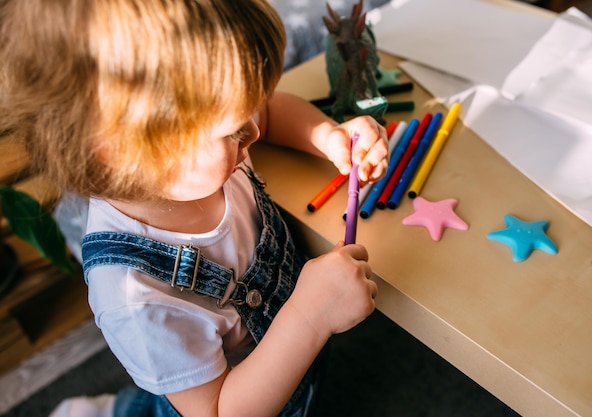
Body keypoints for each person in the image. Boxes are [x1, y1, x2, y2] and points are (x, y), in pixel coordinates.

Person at [0, 1, 389, 417]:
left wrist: (327, 135)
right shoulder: (135, 296)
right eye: (233, 129)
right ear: (122, 152)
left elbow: (269, 113)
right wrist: (311, 318)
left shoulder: (182, 150)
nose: (254, 132)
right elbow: (217, 411)